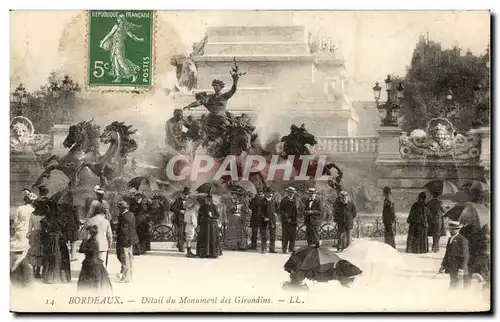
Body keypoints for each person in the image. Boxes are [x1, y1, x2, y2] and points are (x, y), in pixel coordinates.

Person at [182, 68, 241, 147]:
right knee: (198, 127)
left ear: (221, 87)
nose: (215, 88)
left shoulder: (224, 96)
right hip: (211, 118)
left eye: (216, 86)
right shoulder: (210, 97)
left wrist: (235, 81)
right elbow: (199, 102)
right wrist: (189, 105)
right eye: (214, 86)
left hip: (221, 118)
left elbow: (233, 90)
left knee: (229, 131)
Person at [99, 13, 144, 83]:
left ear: (121, 20)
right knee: (116, 60)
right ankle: (118, 77)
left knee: (121, 61)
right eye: (119, 19)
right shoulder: (122, 27)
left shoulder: (118, 27)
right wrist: (139, 39)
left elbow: (110, 35)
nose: (119, 20)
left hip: (118, 45)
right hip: (116, 45)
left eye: (120, 19)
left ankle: (134, 74)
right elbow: (131, 36)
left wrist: (102, 43)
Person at [10, 190, 37, 287]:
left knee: (18, 250)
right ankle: (20, 267)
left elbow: (15, 222)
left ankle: (16, 268)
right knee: (26, 251)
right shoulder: (33, 209)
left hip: (19, 231)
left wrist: (14, 229)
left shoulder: (19, 208)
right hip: (28, 232)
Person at [40, 202, 71, 284]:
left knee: (50, 258)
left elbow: (42, 234)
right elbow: (65, 231)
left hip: (51, 240)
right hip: (59, 240)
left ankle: (50, 278)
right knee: (61, 258)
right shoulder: (61, 219)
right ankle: (62, 277)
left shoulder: (46, 219)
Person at [77, 225, 113, 293]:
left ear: (89, 233)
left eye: (86, 232)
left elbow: (81, 250)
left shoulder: (92, 242)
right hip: (94, 263)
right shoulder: (93, 240)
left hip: (91, 264)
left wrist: (84, 240)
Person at [439, 221, 469, 289]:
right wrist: (443, 265)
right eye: (450, 229)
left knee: (457, 286)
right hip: (452, 267)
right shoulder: (450, 239)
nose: (451, 231)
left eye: (453, 229)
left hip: (459, 269)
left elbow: (465, 256)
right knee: (453, 284)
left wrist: (461, 269)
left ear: (458, 229)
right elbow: (447, 254)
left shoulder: (462, 240)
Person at [116, 200, 138, 283]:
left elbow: (123, 230)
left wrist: (116, 229)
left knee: (124, 258)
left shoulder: (124, 217)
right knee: (129, 257)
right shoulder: (131, 214)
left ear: (121, 208)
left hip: (124, 239)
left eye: (119, 208)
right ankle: (129, 275)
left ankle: (126, 277)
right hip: (131, 239)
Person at [196, 194, 221, 258]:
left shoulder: (214, 206)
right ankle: (204, 253)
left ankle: (213, 254)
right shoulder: (202, 207)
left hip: (212, 226)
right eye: (206, 200)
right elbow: (199, 216)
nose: (207, 201)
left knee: (212, 239)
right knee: (204, 239)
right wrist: (198, 224)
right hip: (204, 225)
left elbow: (217, 216)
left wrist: (212, 215)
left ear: (211, 200)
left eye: (209, 200)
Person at [27, 198, 45, 278]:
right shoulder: (44, 214)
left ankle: (33, 272)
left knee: (34, 252)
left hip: (34, 234)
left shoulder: (32, 214)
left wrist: (28, 234)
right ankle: (38, 272)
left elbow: (30, 227)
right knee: (40, 253)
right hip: (42, 234)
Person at [279, 186, 299, 254]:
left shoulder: (295, 200)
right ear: (287, 193)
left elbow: (296, 211)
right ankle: (284, 249)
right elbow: (281, 211)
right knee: (285, 235)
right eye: (290, 192)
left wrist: (295, 218)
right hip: (286, 221)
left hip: (293, 221)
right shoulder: (284, 200)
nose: (292, 194)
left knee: (292, 235)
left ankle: (291, 248)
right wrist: (286, 218)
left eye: (293, 193)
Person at [260, 188, 278, 254]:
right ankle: (264, 249)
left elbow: (277, 208)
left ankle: (272, 249)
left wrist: (276, 213)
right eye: (269, 193)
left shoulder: (274, 200)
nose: (270, 194)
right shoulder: (262, 201)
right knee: (264, 235)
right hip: (264, 221)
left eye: (271, 193)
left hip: (272, 221)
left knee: (273, 235)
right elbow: (259, 212)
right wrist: (264, 217)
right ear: (266, 193)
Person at [171, 187, 190, 252]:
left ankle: (180, 245)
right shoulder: (178, 200)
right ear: (182, 194)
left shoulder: (189, 201)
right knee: (181, 233)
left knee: (185, 233)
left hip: (187, 219)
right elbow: (172, 208)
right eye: (185, 194)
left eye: (187, 194)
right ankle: (181, 247)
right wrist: (180, 211)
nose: (186, 195)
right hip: (180, 219)